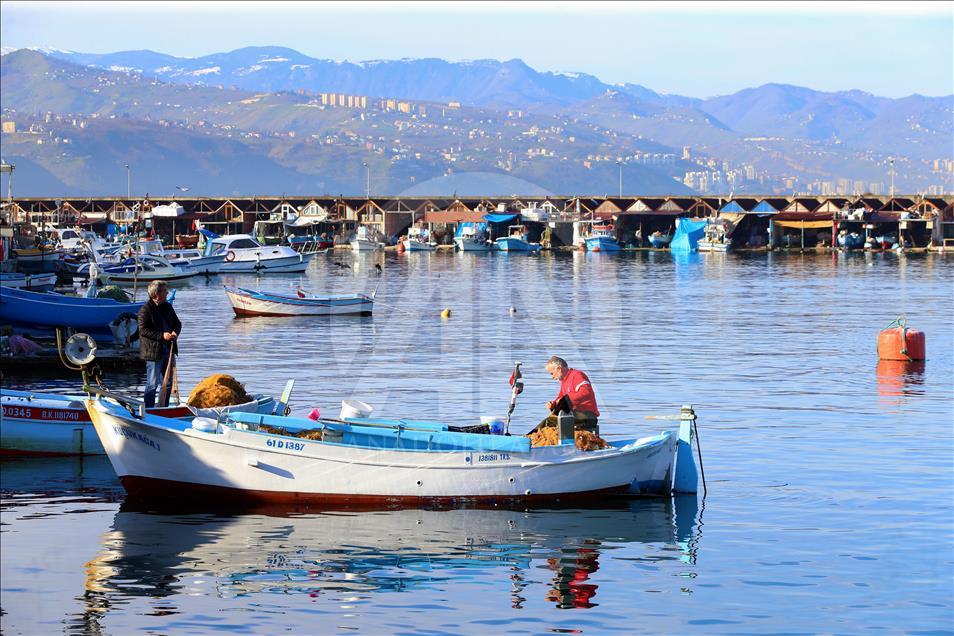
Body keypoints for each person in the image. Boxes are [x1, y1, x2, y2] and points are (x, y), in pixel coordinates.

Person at [137, 280, 182, 408]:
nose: (167, 292)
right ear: (156, 293)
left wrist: (174, 332)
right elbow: (143, 330)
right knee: (152, 384)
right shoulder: (145, 310)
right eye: (164, 290)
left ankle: (164, 407)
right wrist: (162, 335)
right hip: (153, 352)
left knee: (168, 383)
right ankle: (149, 409)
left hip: (168, 349)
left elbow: (177, 324)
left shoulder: (167, 306)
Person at [535, 356, 600, 434]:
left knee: (549, 421)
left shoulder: (577, 375)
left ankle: (530, 438)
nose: (552, 377)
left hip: (587, 415)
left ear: (559, 368)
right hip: (575, 414)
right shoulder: (564, 381)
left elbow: (586, 392)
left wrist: (565, 399)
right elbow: (560, 397)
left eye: (552, 373)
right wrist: (553, 404)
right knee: (552, 419)